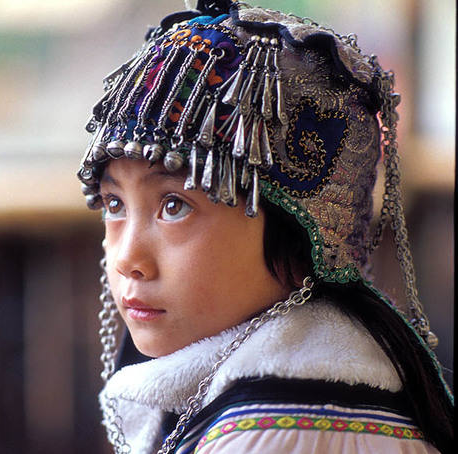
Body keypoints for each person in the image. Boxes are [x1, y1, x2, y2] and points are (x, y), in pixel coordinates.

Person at [76, 1, 454, 453]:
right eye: (114, 203)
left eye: (174, 206)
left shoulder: (287, 431)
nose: (127, 259)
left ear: (298, 234)